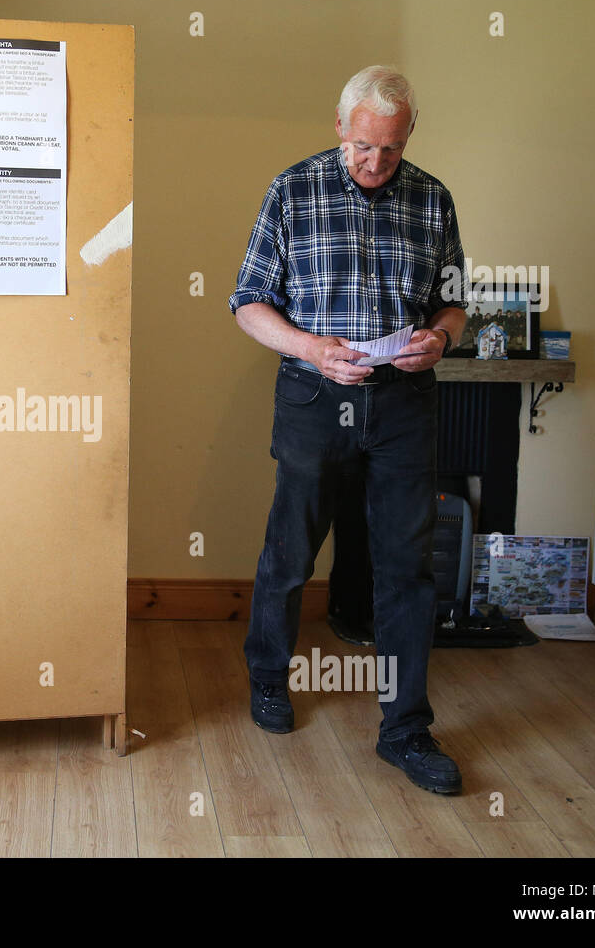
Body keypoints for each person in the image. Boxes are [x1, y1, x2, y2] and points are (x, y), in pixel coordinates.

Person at [229, 66, 468, 794]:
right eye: (364, 145)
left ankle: (405, 728)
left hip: (403, 402)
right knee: (291, 551)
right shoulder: (291, 190)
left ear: (409, 137)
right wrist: (311, 347)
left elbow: (454, 304)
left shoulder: (433, 200)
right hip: (313, 395)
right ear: (339, 126)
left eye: (390, 150)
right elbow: (247, 302)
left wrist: (443, 339)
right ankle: (270, 677)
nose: (375, 162)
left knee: (406, 568)